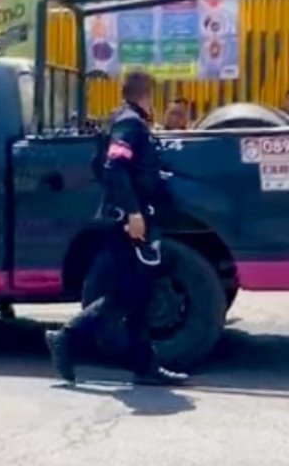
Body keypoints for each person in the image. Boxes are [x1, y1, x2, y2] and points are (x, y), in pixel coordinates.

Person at [44, 71, 188, 386]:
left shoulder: (124, 120)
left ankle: (144, 365)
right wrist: (133, 212)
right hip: (126, 221)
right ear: (146, 95)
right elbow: (113, 166)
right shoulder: (129, 124)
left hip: (129, 217)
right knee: (129, 291)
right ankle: (67, 338)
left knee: (138, 292)